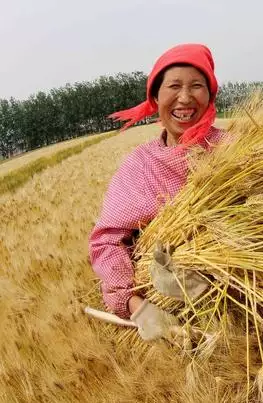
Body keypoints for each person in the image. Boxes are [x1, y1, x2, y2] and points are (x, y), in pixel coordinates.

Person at [89, 44, 224, 341]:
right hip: (178, 320)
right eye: (174, 86)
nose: (186, 98)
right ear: (155, 97)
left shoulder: (237, 151)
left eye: (197, 86)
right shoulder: (141, 166)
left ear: (210, 96)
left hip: (251, 303)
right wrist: (137, 308)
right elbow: (107, 241)